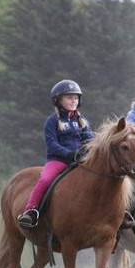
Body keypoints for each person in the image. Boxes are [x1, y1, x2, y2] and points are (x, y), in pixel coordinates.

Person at [17, 80, 94, 229]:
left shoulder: (82, 120)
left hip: (81, 159)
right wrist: (69, 154)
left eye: (76, 98)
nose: (73, 100)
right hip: (59, 160)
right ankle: (31, 210)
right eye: (69, 97)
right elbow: (52, 144)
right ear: (58, 100)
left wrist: (88, 150)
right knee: (45, 180)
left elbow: (89, 139)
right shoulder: (52, 121)